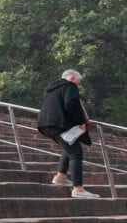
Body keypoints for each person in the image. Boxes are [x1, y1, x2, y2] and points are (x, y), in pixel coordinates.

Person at [37, 69, 99, 198]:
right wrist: (80, 122)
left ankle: (61, 176)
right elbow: (70, 104)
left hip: (46, 124)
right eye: (78, 81)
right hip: (59, 124)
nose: (78, 85)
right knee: (76, 152)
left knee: (71, 145)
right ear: (71, 78)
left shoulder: (51, 88)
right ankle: (78, 189)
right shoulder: (70, 86)